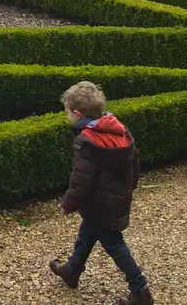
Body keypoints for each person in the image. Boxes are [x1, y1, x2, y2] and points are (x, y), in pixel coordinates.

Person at [49, 81, 153, 304]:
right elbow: (134, 163)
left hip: (100, 203)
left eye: (67, 112)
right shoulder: (120, 130)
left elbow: (81, 180)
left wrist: (69, 203)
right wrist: (130, 187)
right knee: (88, 230)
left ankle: (140, 289)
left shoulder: (87, 141)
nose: (67, 117)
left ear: (77, 114)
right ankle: (72, 270)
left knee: (114, 243)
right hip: (115, 198)